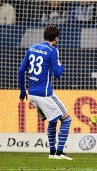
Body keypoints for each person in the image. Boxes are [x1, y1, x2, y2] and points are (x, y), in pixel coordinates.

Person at [18, 25, 73, 160]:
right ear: (56, 38)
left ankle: (52, 153)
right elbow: (57, 73)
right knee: (66, 119)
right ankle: (59, 153)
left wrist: (22, 91)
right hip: (45, 94)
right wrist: (62, 65)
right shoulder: (53, 50)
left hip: (32, 94)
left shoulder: (32, 48)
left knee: (53, 120)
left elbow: (21, 71)